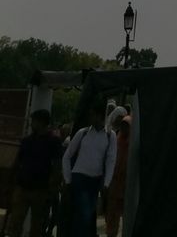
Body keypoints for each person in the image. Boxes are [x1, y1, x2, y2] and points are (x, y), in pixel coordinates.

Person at [61, 101, 117, 237]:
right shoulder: (83, 133)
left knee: (85, 215)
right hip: (79, 177)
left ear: (99, 116)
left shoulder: (110, 136)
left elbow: (111, 160)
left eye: (93, 115)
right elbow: (67, 156)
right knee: (84, 214)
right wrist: (68, 179)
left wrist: (106, 183)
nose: (90, 118)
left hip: (95, 181)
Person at [6, 108, 63, 237]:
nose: (32, 123)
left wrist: (53, 186)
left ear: (42, 122)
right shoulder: (27, 140)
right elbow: (18, 162)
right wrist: (12, 182)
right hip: (23, 186)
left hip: (41, 189)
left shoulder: (53, 141)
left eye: (34, 121)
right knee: (15, 222)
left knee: (38, 226)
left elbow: (57, 165)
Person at [104, 113, 130, 237]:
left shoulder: (132, 143)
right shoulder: (116, 141)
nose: (124, 128)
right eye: (122, 125)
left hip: (127, 185)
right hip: (115, 184)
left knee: (128, 214)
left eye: (127, 126)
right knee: (112, 216)